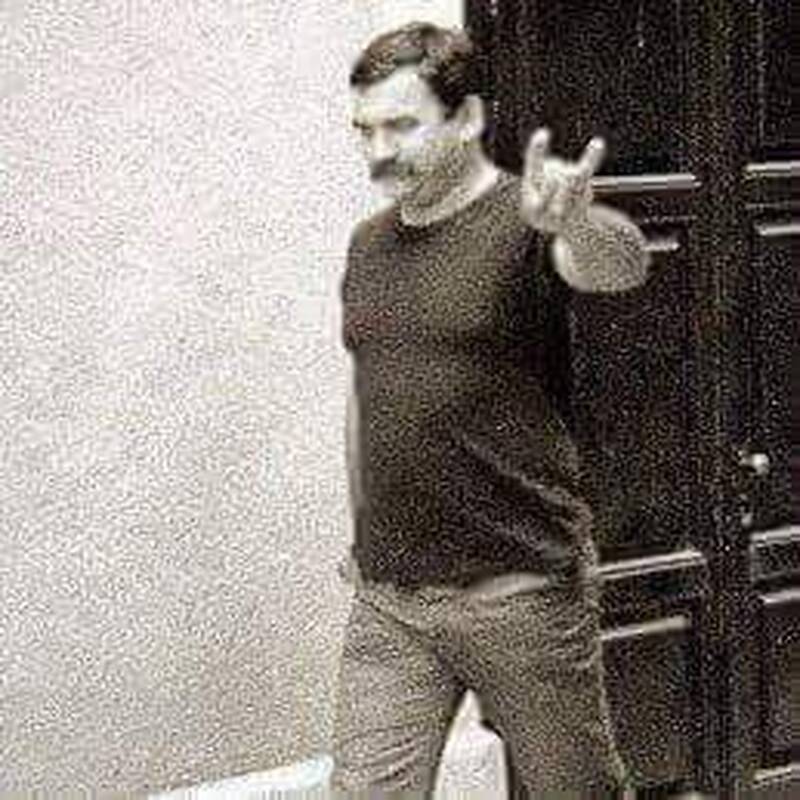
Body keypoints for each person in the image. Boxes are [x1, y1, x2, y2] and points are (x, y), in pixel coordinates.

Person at [333, 21, 649, 797]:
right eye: (365, 130)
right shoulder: (368, 245)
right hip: (392, 602)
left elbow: (619, 265)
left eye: (402, 126)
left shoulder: (526, 219)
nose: (379, 152)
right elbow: (369, 390)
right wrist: (364, 530)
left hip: (519, 594)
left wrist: (576, 220)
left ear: (468, 116)